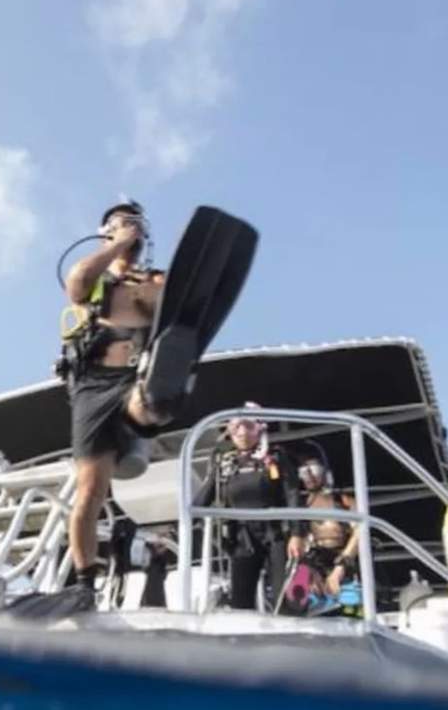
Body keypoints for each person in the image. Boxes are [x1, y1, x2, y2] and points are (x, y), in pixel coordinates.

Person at [59, 200, 169, 613]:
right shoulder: (96, 277)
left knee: (155, 398)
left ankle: (142, 423)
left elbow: (185, 307)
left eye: (136, 223)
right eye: (120, 222)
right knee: (89, 490)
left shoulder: (154, 281)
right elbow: (76, 284)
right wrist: (115, 243)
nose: (129, 227)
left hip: (135, 380)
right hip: (92, 387)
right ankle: (85, 582)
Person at [192, 404, 307, 611]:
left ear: (260, 428)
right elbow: (203, 498)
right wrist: (184, 519)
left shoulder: (277, 458)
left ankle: (298, 629)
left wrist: (298, 534)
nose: (242, 433)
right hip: (243, 538)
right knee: (240, 601)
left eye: (248, 426)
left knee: (290, 596)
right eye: (236, 427)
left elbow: (293, 495)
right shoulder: (224, 463)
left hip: (278, 534)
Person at [297, 447, 361, 600]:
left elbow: (361, 534)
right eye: (303, 472)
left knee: (351, 599)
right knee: (297, 594)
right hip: (314, 563)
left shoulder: (344, 502)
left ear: (325, 471)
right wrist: (309, 571)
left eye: (314, 470)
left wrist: (341, 568)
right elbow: (298, 543)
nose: (309, 476)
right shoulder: (299, 508)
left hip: (345, 561)